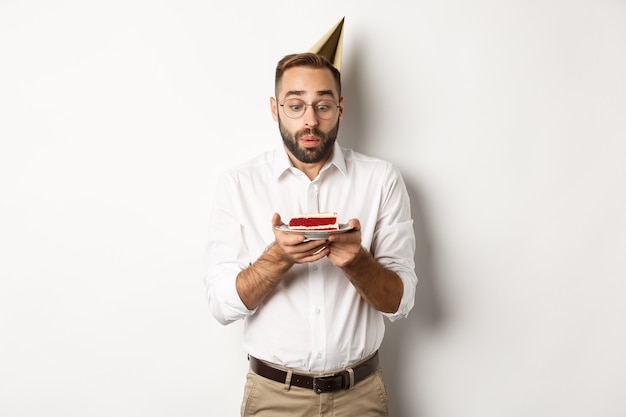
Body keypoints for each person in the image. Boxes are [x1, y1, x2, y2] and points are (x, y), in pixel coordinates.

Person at [203, 22, 417, 417]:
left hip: (361, 396)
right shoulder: (239, 184)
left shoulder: (381, 179)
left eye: (322, 104)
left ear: (340, 107)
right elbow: (221, 305)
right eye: (296, 104)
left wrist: (358, 262)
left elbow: (400, 302)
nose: (310, 121)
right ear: (275, 108)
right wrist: (278, 258)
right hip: (273, 397)